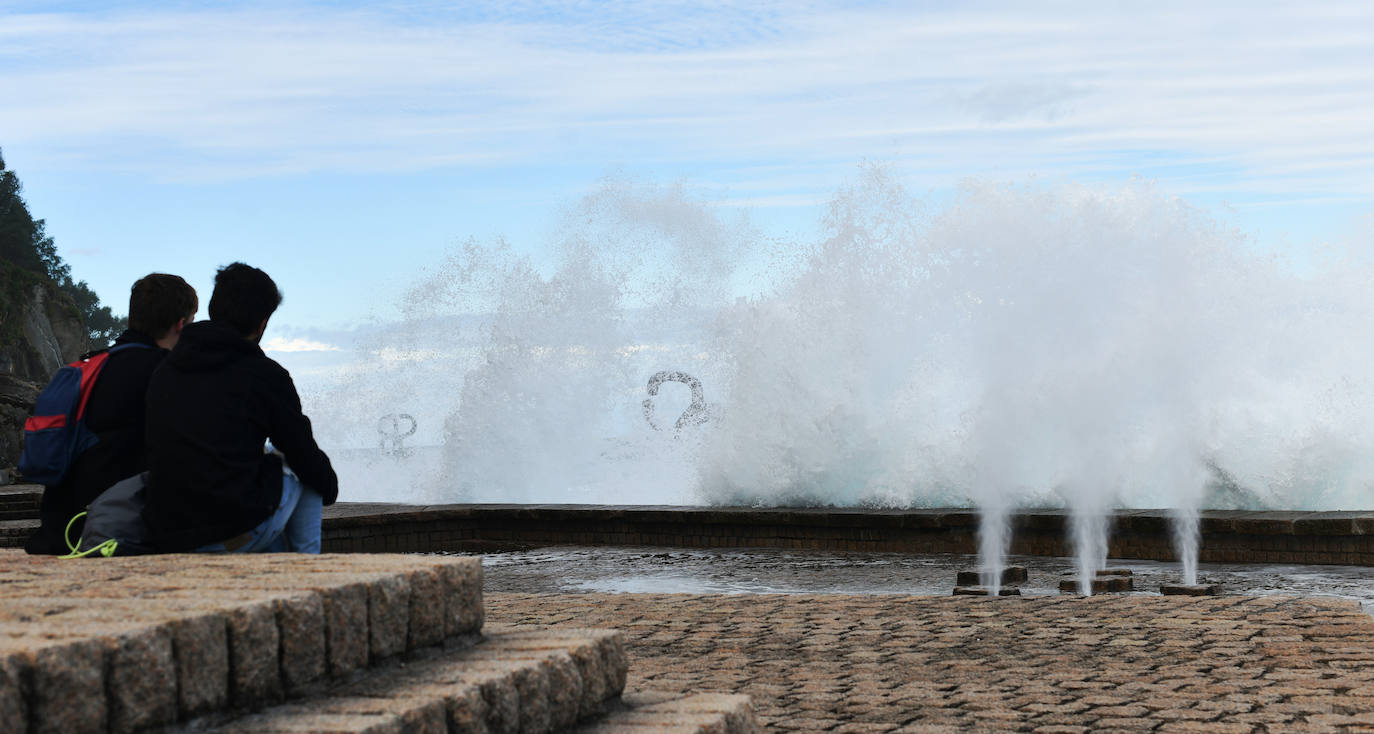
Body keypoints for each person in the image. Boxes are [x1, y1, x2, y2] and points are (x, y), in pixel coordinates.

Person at [143, 262, 337, 553]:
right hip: (225, 533)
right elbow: (303, 454)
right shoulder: (264, 375)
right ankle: (308, 571)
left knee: (270, 478)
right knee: (302, 471)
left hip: (167, 534)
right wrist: (329, 487)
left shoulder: (166, 369)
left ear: (214, 308)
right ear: (262, 324)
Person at [24, 274, 198, 555]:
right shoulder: (169, 374)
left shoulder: (93, 366)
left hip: (59, 530)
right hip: (112, 536)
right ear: (181, 324)